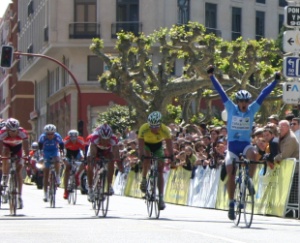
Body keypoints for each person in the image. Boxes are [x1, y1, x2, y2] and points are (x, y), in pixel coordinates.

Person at [207, 65, 280, 220]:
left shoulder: (252, 109)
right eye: (242, 101)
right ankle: (232, 202)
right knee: (230, 172)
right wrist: (212, 76)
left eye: (246, 101)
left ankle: (249, 181)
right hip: (232, 147)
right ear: (238, 101)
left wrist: (275, 81)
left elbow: (263, 94)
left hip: (245, 144)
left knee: (254, 154)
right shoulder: (230, 108)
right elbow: (221, 91)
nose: (245, 104)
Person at [138, 111, 174, 210]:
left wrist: (171, 156)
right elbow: (140, 144)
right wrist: (141, 155)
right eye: (151, 126)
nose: (153, 129)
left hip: (158, 146)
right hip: (146, 145)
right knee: (146, 158)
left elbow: (169, 144)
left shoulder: (165, 129)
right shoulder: (144, 128)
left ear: (160, 124)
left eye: (156, 126)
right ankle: (144, 179)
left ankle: (161, 198)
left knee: (160, 170)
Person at [86, 123, 124, 202]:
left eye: (107, 139)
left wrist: (119, 164)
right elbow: (93, 153)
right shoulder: (95, 137)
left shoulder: (113, 139)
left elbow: (116, 155)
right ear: (100, 136)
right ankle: (90, 188)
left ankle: (109, 185)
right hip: (95, 148)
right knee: (90, 164)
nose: (105, 141)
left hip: (107, 151)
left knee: (111, 161)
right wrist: (92, 160)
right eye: (103, 139)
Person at [0, 118, 29, 209]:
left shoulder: (22, 132)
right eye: (11, 131)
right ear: (7, 129)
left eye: (15, 131)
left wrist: (27, 156)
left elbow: (26, 145)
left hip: (17, 148)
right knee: (5, 154)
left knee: (18, 171)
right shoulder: (2, 132)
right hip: (6, 146)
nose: (13, 133)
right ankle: (5, 175)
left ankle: (19, 196)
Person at [38, 124, 64, 202]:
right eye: (48, 134)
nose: (50, 136)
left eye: (51, 134)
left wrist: (62, 154)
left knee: (57, 160)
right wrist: (41, 157)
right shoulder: (42, 137)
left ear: (54, 133)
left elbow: (61, 146)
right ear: (46, 133)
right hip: (46, 152)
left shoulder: (57, 136)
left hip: (54, 151)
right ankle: (45, 194)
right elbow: (40, 148)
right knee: (46, 174)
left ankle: (57, 175)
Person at [62, 129, 85, 199]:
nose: (73, 140)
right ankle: (66, 190)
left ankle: (77, 175)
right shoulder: (66, 140)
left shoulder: (80, 140)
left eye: (75, 138)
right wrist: (63, 158)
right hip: (68, 153)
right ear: (69, 137)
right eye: (72, 138)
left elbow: (84, 149)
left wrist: (85, 158)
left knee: (84, 163)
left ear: (77, 137)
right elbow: (62, 149)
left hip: (77, 152)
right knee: (67, 168)